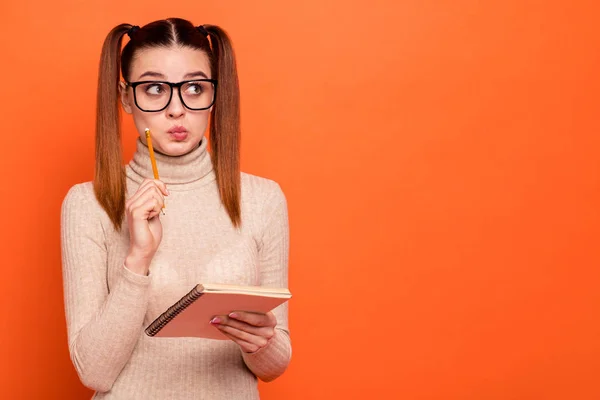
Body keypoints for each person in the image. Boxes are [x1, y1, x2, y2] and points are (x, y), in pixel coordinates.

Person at [60, 17, 291, 399]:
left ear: (214, 95)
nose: (176, 110)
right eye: (154, 89)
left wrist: (262, 342)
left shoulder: (263, 199)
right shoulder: (87, 204)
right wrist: (138, 259)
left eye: (194, 88)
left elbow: (275, 366)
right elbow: (94, 372)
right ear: (126, 96)